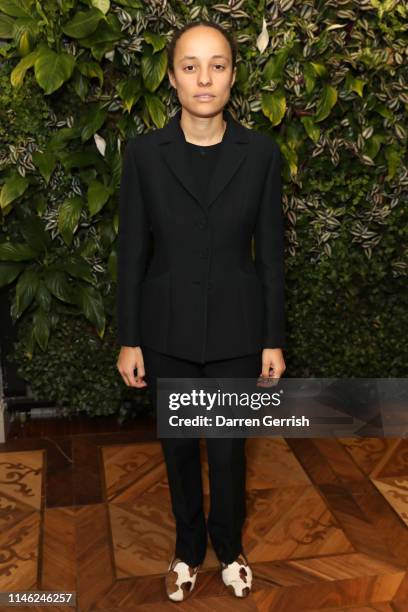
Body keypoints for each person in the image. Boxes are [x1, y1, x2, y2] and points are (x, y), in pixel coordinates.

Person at [116, 20, 286, 602]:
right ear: (172, 77)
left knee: (229, 452)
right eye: (190, 66)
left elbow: (271, 255)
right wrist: (129, 338)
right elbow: (132, 253)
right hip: (167, 335)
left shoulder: (261, 153)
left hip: (239, 334)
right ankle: (188, 549)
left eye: (217, 65)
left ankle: (230, 547)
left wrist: (272, 338)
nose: (204, 77)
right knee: (180, 450)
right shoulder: (143, 155)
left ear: (233, 77)